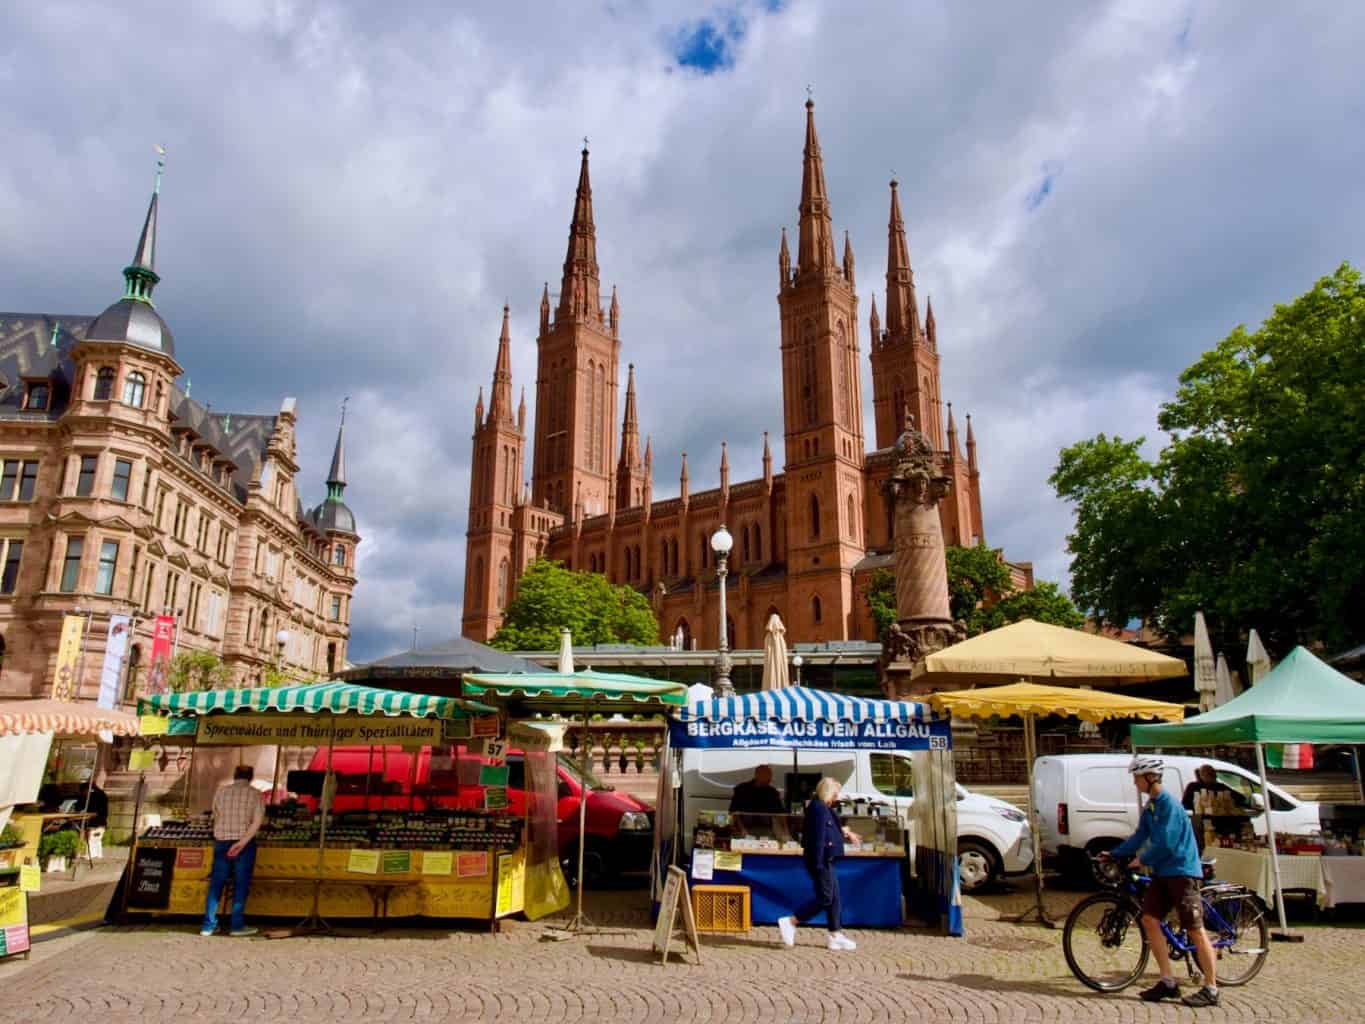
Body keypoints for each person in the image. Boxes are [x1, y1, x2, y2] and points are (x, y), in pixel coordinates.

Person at [1101, 755, 1219, 1008]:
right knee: (1149, 920)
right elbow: (1140, 835)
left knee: (1195, 929)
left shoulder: (1169, 805)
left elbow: (1166, 841)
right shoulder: (1152, 806)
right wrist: (1116, 853)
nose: (1134, 783)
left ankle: (1211, 988)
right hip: (1163, 873)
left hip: (1182, 871)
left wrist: (1141, 859)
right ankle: (1168, 981)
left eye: (1136, 778)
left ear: (1149, 777)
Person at [776, 777, 858, 952]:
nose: (837, 797)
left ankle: (835, 935)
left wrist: (846, 833)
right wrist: (819, 863)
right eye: (835, 793)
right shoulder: (819, 809)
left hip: (825, 859)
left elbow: (831, 829)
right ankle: (791, 921)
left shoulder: (823, 808)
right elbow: (819, 837)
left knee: (834, 897)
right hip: (820, 859)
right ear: (828, 792)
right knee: (826, 897)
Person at [201, 765, 266, 938]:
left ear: (235, 775)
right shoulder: (255, 794)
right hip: (243, 845)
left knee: (216, 884)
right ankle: (236, 926)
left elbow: (216, 815)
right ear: (251, 777)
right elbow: (257, 822)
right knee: (241, 885)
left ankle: (208, 925)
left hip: (221, 842)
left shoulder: (221, 792)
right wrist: (241, 842)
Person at [1181, 764, 1247, 812]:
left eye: (1213, 774)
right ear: (1201, 775)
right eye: (1209, 774)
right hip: (1201, 819)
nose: (1213, 776)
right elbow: (1185, 804)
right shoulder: (1193, 787)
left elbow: (1240, 798)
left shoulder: (1220, 786)